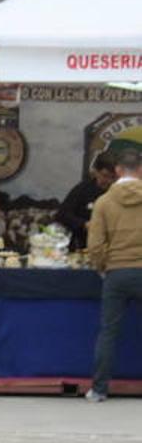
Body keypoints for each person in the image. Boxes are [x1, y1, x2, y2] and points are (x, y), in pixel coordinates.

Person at [84, 148, 142, 402]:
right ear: (141, 170)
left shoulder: (104, 202)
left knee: (108, 331)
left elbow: (95, 245)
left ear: (118, 171)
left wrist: (102, 266)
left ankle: (98, 389)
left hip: (117, 273)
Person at [56, 153, 117, 251]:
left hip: (114, 246)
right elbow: (62, 214)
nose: (109, 181)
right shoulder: (83, 189)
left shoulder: (120, 192)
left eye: (113, 177)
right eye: (105, 176)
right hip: (83, 244)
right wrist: (84, 224)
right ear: (96, 172)